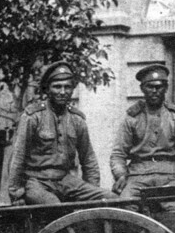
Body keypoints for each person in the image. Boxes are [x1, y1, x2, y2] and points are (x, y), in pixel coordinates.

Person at [7, 60, 114, 205]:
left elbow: (88, 158)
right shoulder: (33, 117)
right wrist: (16, 194)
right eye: (57, 87)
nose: (63, 92)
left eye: (67, 87)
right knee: (55, 207)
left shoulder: (77, 120)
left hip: (66, 180)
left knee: (111, 199)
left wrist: (93, 192)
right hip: (36, 183)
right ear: (47, 89)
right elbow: (17, 157)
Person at [110, 63, 175, 211]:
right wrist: (121, 175)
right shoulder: (132, 118)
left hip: (169, 176)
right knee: (125, 208)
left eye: (159, 86)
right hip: (137, 176)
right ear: (142, 88)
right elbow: (118, 154)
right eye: (150, 87)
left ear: (166, 88)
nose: (155, 91)